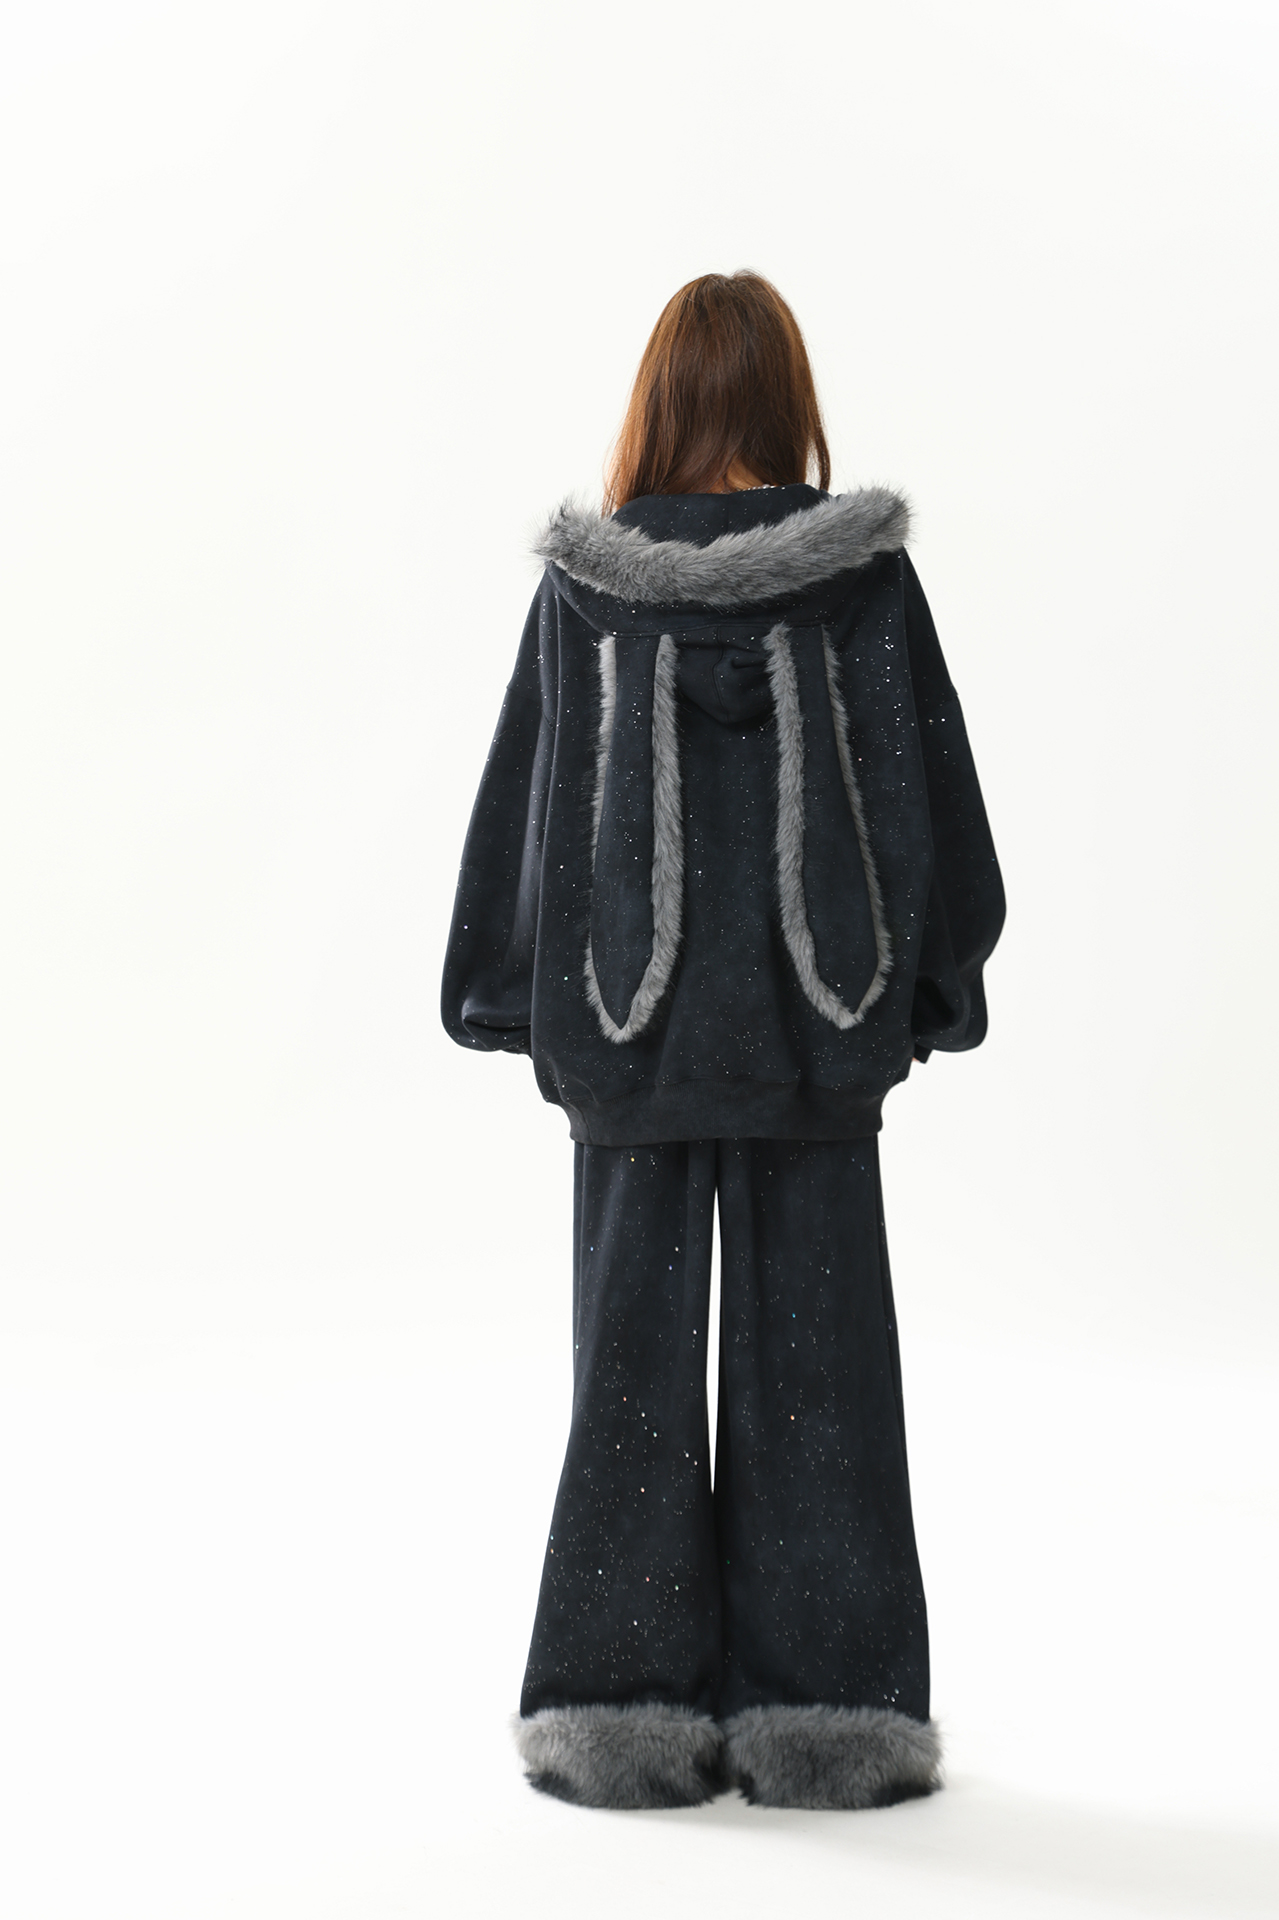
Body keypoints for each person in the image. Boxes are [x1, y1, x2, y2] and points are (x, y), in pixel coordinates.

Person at [441, 271, 1005, 1810]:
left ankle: (614, 1708)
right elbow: (930, 782)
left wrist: (506, 989)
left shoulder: (587, 590)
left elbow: (533, 794)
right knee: (822, 1372)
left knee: (626, 1374)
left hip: (627, 1033)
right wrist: (937, 981)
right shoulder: (864, 583)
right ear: (786, 399)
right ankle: (834, 1715)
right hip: (820, 1029)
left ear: (659, 402)